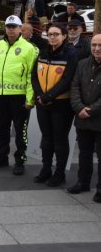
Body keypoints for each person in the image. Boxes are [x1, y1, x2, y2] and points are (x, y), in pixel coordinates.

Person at [0, 15, 38, 175]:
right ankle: (1, 157)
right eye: (8, 26)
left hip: (19, 97)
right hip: (0, 96)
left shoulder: (29, 48)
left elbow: (32, 75)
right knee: (1, 129)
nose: (10, 29)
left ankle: (20, 160)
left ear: (20, 29)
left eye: (14, 27)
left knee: (20, 131)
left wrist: (30, 99)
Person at [31, 24, 78, 187]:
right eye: (50, 34)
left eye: (56, 34)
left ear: (64, 36)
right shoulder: (43, 52)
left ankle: (59, 173)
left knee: (60, 139)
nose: (52, 37)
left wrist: (49, 96)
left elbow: (67, 80)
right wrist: (40, 96)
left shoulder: (71, 54)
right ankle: (46, 169)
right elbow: (34, 76)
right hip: (43, 103)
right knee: (47, 138)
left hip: (61, 104)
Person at [69, 33, 101, 203]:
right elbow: (74, 87)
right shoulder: (82, 64)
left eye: (100, 45)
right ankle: (83, 182)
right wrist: (80, 107)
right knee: (84, 153)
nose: (96, 48)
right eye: (94, 45)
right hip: (82, 117)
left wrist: (91, 110)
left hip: (98, 118)